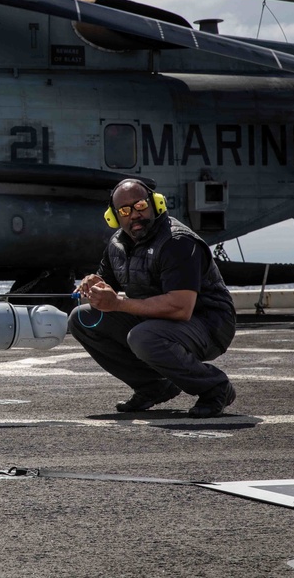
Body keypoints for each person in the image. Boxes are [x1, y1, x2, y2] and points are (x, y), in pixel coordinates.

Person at [68, 178, 236, 418]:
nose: (134, 215)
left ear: (156, 204)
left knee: (143, 337)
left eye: (140, 206)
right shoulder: (117, 244)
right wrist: (92, 282)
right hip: (158, 321)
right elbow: (105, 283)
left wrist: (117, 304)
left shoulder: (177, 242)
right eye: (125, 211)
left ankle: (214, 387)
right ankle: (153, 386)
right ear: (114, 217)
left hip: (208, 324)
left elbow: (181, 308)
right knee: (82, 318)